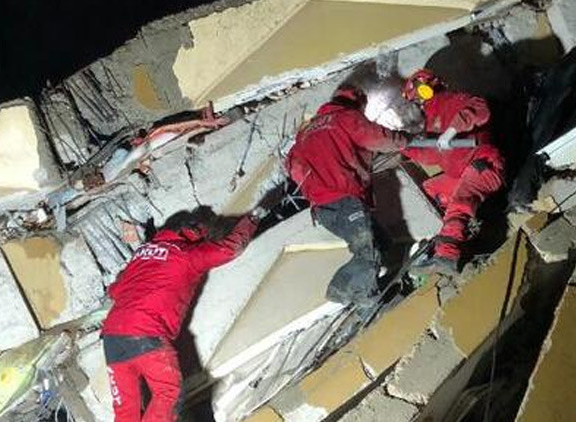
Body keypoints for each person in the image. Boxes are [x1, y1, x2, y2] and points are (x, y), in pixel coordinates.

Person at [101, 206, 264, 421]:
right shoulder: (187, 254)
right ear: (195, 234)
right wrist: (252, 219)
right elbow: (229, 249)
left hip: (112, 337)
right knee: (167, 393)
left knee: (125, 410)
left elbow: (115, 291)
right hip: (146, 333)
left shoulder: (142, 254)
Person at [286, 84, 409, 306]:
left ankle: (371, 285)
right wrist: (403, 141)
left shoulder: (304, 133)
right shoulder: (345, 118)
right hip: (345, 200)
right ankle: (346, 291)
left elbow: (294, 169)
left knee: (381, 242)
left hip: (322, 210)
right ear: (358, 102)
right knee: (367, 253)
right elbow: (375, 137)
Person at [401, 69, 505, 275]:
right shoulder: (431, 121)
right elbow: (430, 155)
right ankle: (456, 229)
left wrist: (451, 131)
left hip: (483, 165)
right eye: (415, 101)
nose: (418, 103)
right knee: (430, 188)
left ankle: (447, 256)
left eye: (417, 98)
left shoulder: (452, 100)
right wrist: (401, 146)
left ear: (425, 89)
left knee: (459, 205)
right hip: (463, 174)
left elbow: (481, 109)